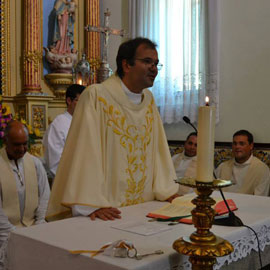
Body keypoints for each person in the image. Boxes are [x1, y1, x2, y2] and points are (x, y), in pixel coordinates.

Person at [47, 37, 179, 221]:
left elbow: (158, 151)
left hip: (145, 209)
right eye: (147, 61)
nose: (154, 68)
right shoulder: (97, 96)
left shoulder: (148, 100)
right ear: (126, 65)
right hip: (108, 211)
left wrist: (166, 190)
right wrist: (89, 203)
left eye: (156, 63)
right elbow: (85, 152)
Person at [0, 121, 50, 268]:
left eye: (25, 144)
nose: (22, 149)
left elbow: (45, 196)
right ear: (5, 141)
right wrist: (16, 235)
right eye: (17, 144)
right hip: (5, 234)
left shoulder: (35, 163)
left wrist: (40, 225)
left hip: (35, 228)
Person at [43, 84, 85, 179]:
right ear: (69, 101)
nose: (84, 105)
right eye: (80, 101)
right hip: (68, 181)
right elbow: (54, 161)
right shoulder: (59, 125)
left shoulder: (85, 122)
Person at [215, 130, 270, 196]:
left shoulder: (262, 169)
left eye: (241, 144)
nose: (237, 147)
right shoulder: (223, 167)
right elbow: (214, 192)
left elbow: (260, 198)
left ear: (251, 146)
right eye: (235, 143)